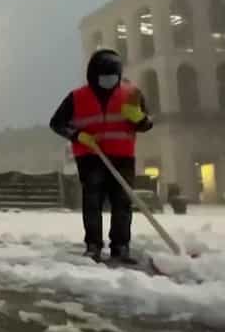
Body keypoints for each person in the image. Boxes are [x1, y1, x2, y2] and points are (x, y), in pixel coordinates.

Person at [49, 48, 153, 263]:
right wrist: (78, 136)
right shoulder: (77, 97)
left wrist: (139, 119)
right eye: (104, 76)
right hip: (90, 156)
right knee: (93, 202)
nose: (108, 81)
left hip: (123, 157)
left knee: (122, 202)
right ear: (93, 75)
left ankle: (121, 246)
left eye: (112, 76)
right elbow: (57, 123)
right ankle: (93, 246)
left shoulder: (132, 94)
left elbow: (147, 124)